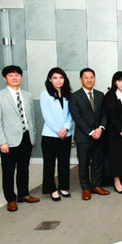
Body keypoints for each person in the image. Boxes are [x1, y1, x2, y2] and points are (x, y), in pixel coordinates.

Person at [0, 65, 40, 212]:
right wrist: (1, 142)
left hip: (26, 137)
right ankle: (10, 199)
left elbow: (31, 118)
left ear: (21, 77)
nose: (14, 78)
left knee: (24, 168)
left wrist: (32, 136)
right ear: (5, 78)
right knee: (8, 171)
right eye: (10, 75)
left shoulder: (28, 95)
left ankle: (23, 194)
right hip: (8, 140)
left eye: (17, 75)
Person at [70, 68, 110, 200]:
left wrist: (101, 128)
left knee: (97, 162)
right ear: (81, 79)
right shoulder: (75, 96)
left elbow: (104, 114)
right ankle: (85, 188)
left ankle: (96, 185)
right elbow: (77, 117)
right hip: (83, 136)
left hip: (99, 135)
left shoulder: (100, 95)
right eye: (86, 77)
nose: (89, 80)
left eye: (91, 77)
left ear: (94, 79)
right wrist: (91, 131)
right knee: (83, 163)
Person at [40, 68, 73, 202]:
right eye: (55, 78)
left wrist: (65, 128)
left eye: (61, 77)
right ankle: (52, 189)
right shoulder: (45, 94)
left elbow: (71, 114)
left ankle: (63, 187)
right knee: (49, 163)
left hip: (66, 134)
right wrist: (58, 130)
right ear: (50, 79)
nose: (58, 80)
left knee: (64, 162)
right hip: (50, 135)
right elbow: (46, 115)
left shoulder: (69, 94)